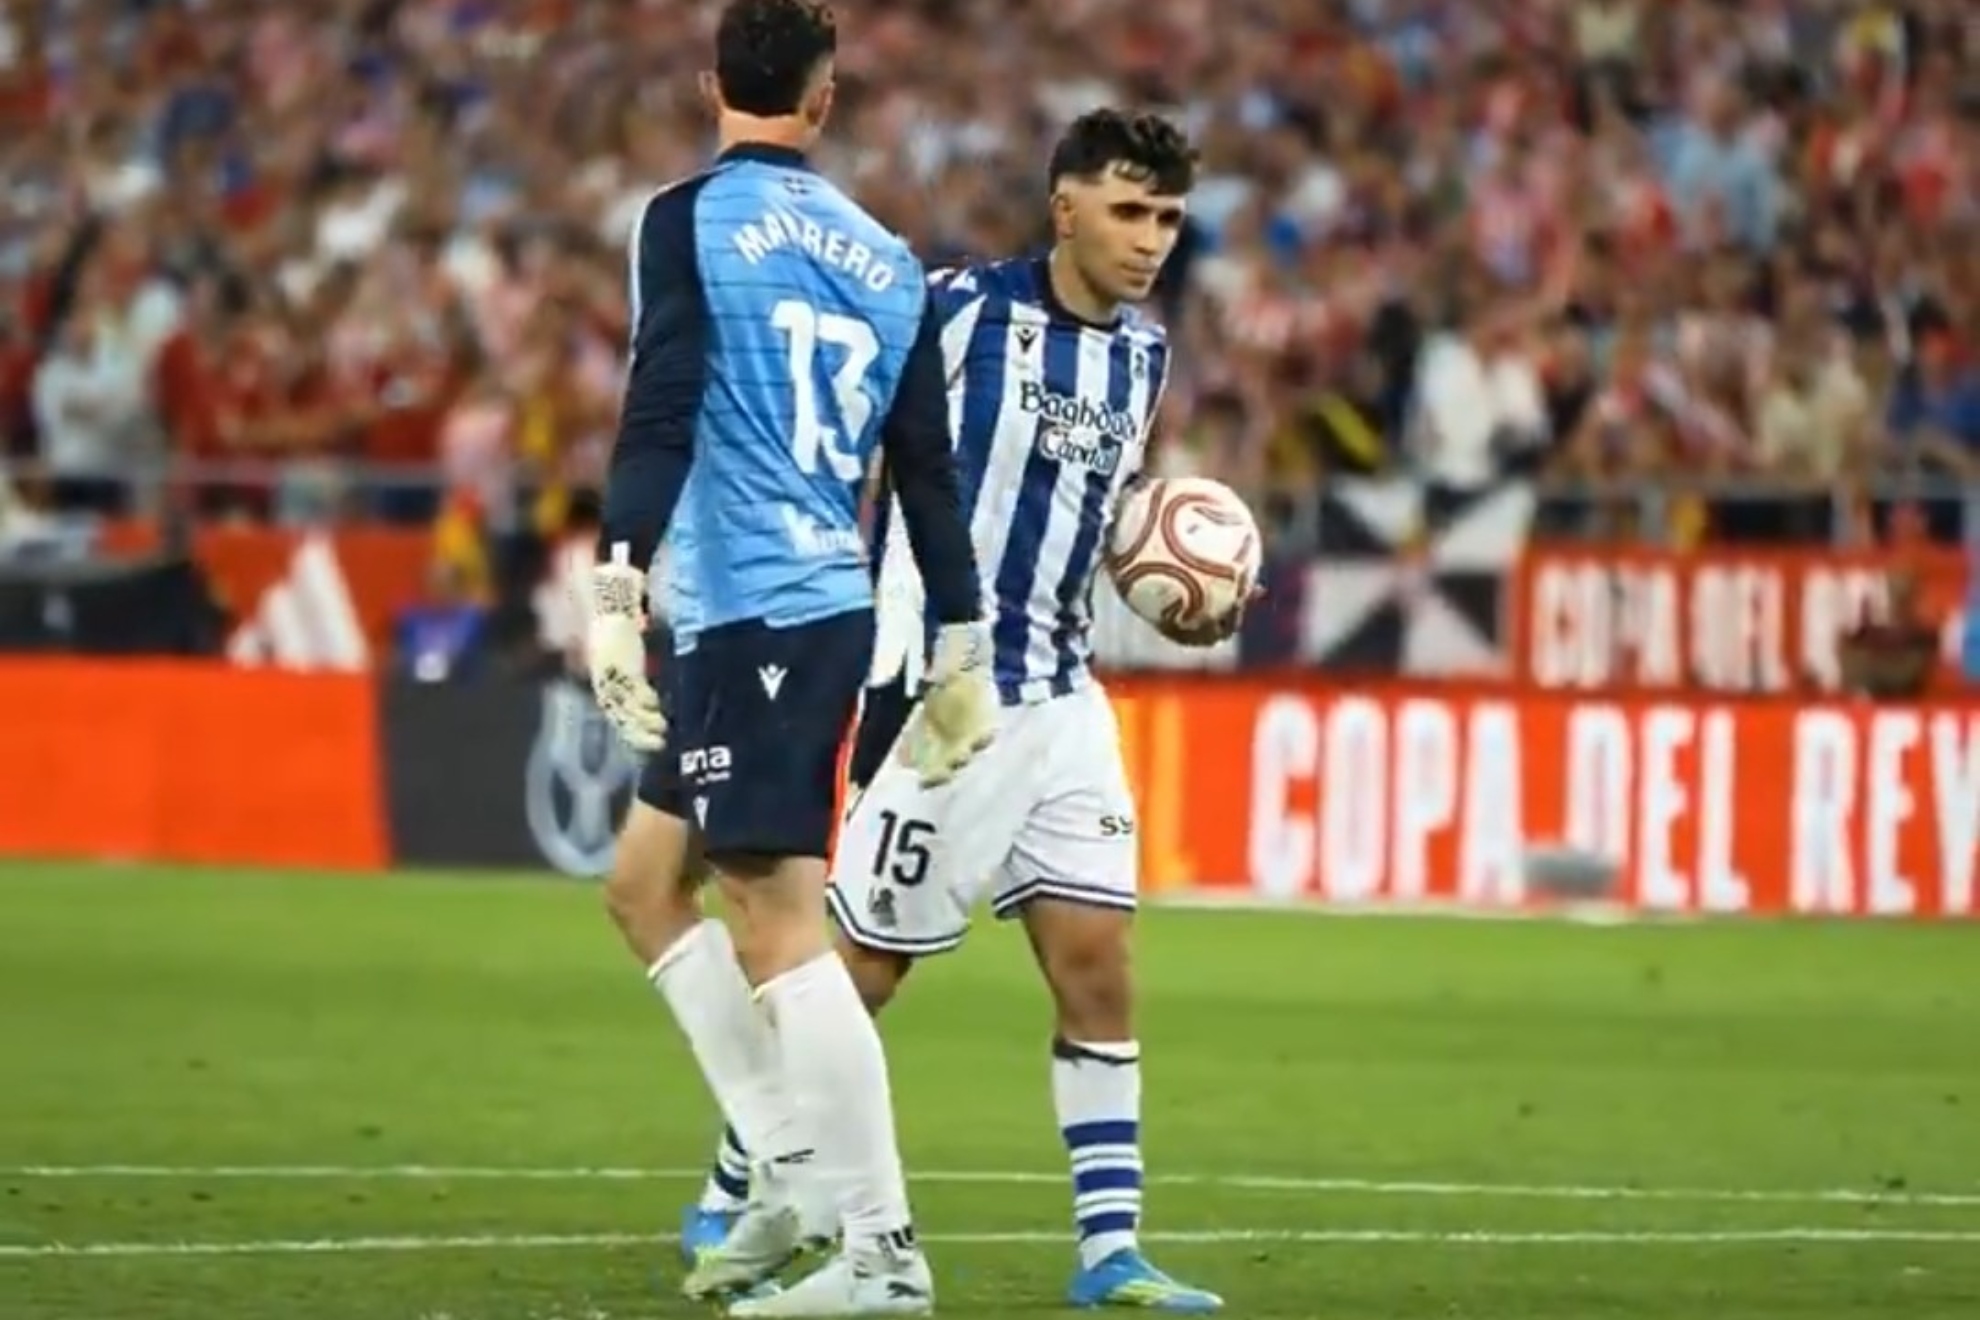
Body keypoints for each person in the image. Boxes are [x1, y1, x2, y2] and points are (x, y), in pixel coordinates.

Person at [688, 108, 1235, 1314]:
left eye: (1169, 219)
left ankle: (1111, 1255)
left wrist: (1172, 601)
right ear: (1065, 207)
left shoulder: (1141, 359)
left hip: (1065, 699)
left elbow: (1075, 530)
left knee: (1098, 964)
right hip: (946, 702)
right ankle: (745, 1185)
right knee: (856, 977)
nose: (1150, 240)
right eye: (1129, 211)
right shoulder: (953, 309)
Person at [583, 1, 997, 1315]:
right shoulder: (887, 261)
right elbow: (926, 478)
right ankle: (787, 1166)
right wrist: (963, 642)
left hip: (762, 607)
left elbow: (661, 398)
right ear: (824, 103)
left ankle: (880, 1253)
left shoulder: (683, 220)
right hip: (801, 606)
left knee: (774, 916)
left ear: (714, 85)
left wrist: (615, 574)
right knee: (647, 885)